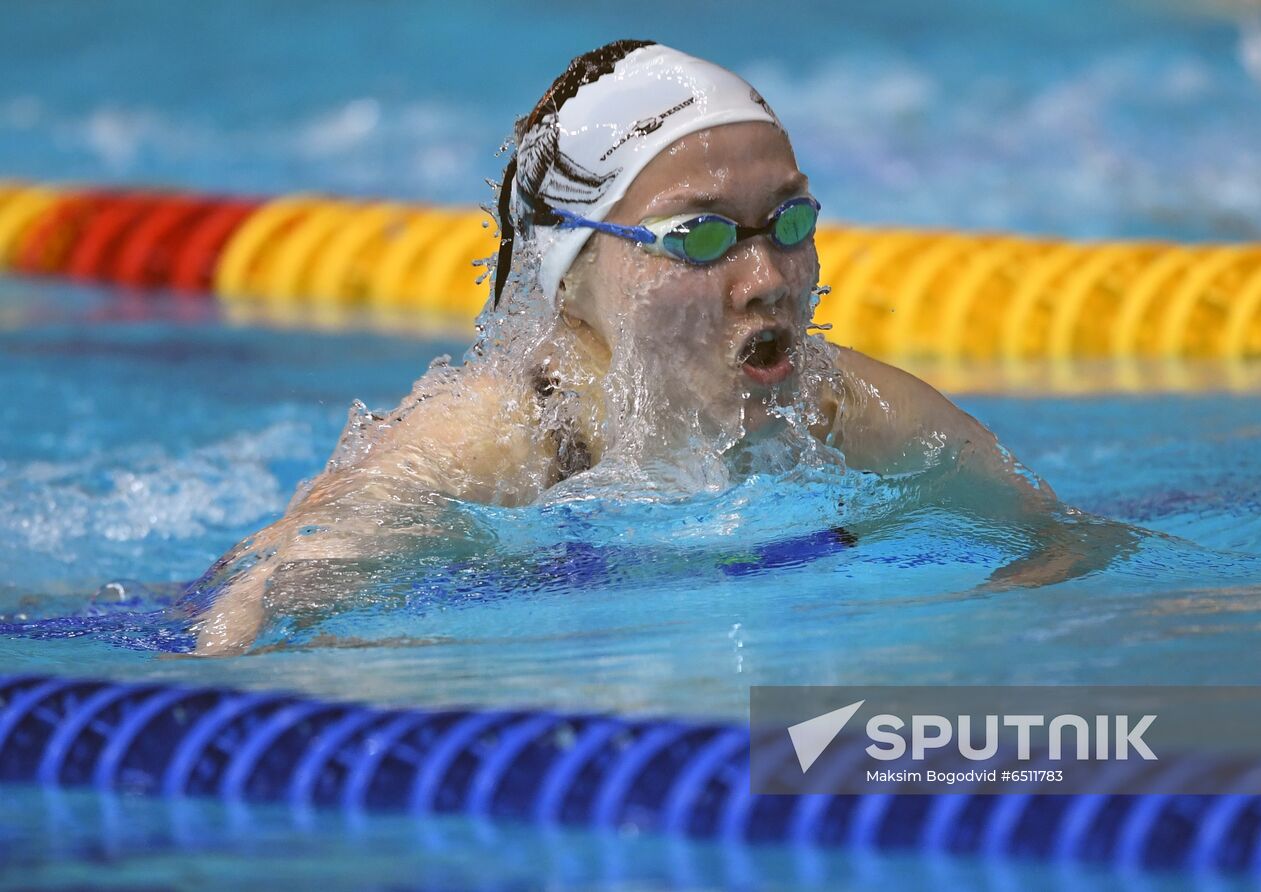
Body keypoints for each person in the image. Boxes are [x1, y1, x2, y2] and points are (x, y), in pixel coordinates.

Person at [191, 40, 1122, 656]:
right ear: (573, 274)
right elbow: (255, 604)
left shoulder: (845, 412)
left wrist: (961, 641)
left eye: (788, 221)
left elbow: (1065, 540)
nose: (768, 278)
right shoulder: (499, 442)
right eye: (700, 238)